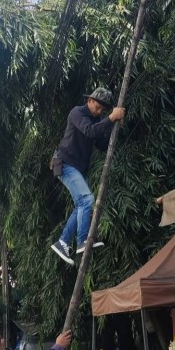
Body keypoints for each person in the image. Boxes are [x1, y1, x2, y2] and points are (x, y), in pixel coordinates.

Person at [50, 87, 125, 265]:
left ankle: (63, 242)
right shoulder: (77, 113)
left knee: (81, 205)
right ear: (89, 101)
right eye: (97, 107)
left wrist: (116, 126)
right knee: (86, 200)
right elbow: (90, 131)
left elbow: (102, 145)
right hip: (65, 164)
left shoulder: (97, 120)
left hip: (77, 169)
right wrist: (111, 118)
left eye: (102, 110)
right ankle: (82, 241)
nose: (99, 111)